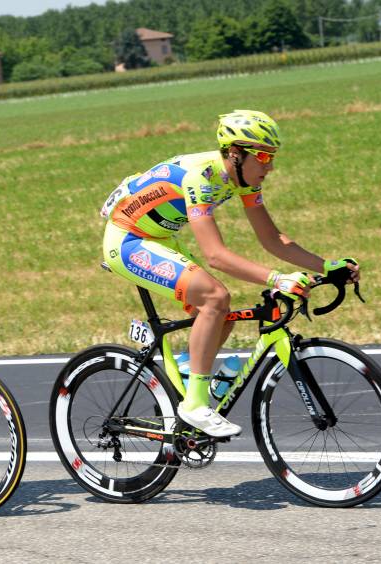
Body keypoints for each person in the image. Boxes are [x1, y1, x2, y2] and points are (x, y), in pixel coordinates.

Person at [101, 110, 359, 438]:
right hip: (128, 239)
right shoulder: (201, 177)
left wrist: (326, 266)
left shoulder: (242, 179)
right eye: (263, 156)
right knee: (215, 297)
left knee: (222, 315)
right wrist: (278, 279)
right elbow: (216, 255)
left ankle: (186, 367)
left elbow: (272, 239)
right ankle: (194, 405)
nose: (270, 166)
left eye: (273, 156)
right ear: (235, 154)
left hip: (160, 237)